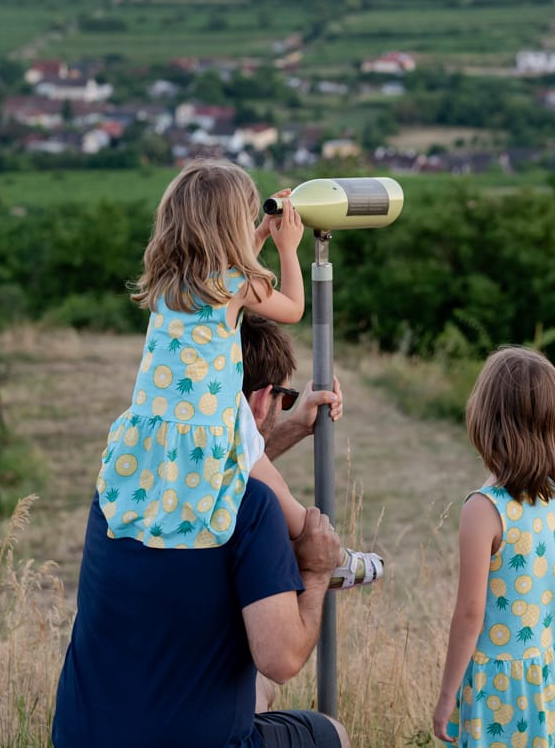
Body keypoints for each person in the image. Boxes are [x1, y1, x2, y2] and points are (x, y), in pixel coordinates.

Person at [54, 315, 352, 748]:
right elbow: (282, 658)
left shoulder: (120, 489)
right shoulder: (252, 509)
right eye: (284, 399)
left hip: (78, 736)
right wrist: (319, 573)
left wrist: (291, 428)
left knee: (256, 689)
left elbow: (211, 469)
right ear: (263, 398)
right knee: (331, 734)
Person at [95, 157, 380, 587]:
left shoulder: (167, 282)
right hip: (217, 428)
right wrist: (287, 248)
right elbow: (292, 307)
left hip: (162, 429)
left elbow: (232, 271)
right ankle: (330, 555)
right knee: (283, 500)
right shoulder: (237, 285)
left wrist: (262, 233)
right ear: (230, 229)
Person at [431, 347, 555, 747]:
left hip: (502, 685)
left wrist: (447, 697)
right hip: (551, 666)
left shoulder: (484, 509)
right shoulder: (553, 495)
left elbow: (471, 614)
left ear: (485, 420)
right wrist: (541, 639)